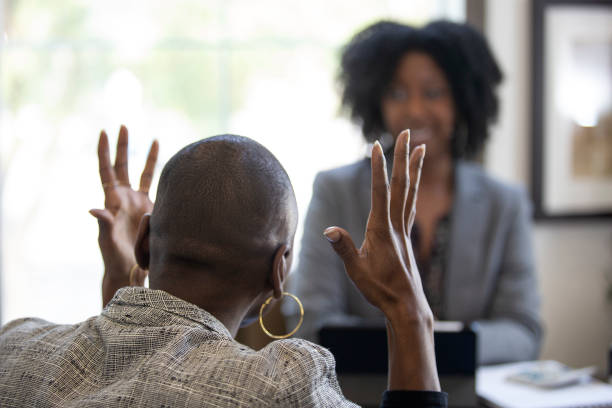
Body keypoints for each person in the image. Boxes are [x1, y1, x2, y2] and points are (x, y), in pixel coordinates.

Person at [0, 126, 447, 407]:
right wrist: (409, 314)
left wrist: (122, 284)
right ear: (278, 271)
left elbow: (116, 374)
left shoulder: (14, 346)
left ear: (143, 242)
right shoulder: (278, 388)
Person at [286, 20, 542, 365]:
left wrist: (423, 344)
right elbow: (312, 324)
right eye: (397, 93)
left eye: (433, 92)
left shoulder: (504, 203)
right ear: (376, 100)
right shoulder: (336, 191)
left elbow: (523, 332)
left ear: (464, 100)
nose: (415, 110)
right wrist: (419, 344)